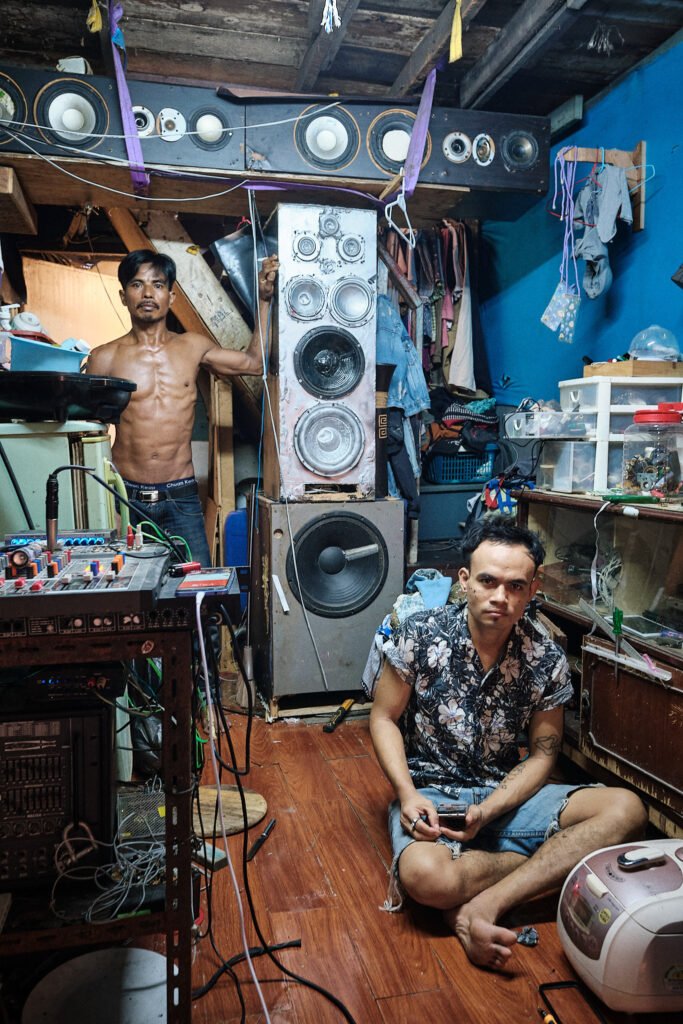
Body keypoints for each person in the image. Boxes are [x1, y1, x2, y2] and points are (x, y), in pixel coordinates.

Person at [369, 515, 647, 970]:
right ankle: (554, 861)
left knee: (627, 811)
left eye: (516, 586)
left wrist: (490, 809)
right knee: (426, 877)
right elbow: (383, 718)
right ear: (465, 581)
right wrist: (407, 793)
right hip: (431, 794)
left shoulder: (545, 656)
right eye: (488, 581)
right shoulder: (418, 635)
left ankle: (482, 904)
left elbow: (542, 755)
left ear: (532, 590)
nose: (501, 596)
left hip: (506, 793)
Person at [86, 248, 278, 565]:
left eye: (158, 284)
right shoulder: (103, 358)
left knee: (196, 586)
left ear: (171, 296)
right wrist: (103, 503)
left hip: (181, 497)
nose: (148, 293)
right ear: (123, 296)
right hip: (125, 497)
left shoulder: (192, 346)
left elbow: (254, 364)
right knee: (128, 586)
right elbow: (90, 437)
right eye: (137, 284)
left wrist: (264, 300)